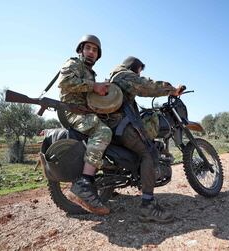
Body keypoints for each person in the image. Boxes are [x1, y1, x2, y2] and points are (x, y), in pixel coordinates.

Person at [105, 56, 183, 223]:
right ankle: (147, 206)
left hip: (115, 125)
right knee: (149, 152)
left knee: (143, 147)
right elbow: (146, 86)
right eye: (139, 70)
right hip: (121, 126)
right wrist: (171, 90)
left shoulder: (115, 78)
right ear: (134, 67)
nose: (140, 73)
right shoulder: (123, 76)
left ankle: (112, 186)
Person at [57, 35, 111, 215]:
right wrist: (93, 86)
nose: (91, 52)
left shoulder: (89, 72)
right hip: (73, 112)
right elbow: (64, 82)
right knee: (102, 131)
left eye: (95, 50)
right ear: (81, 50)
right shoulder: (73, 63)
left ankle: (107, 182)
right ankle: (84, 184)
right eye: (88, 48)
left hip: (86, 112)